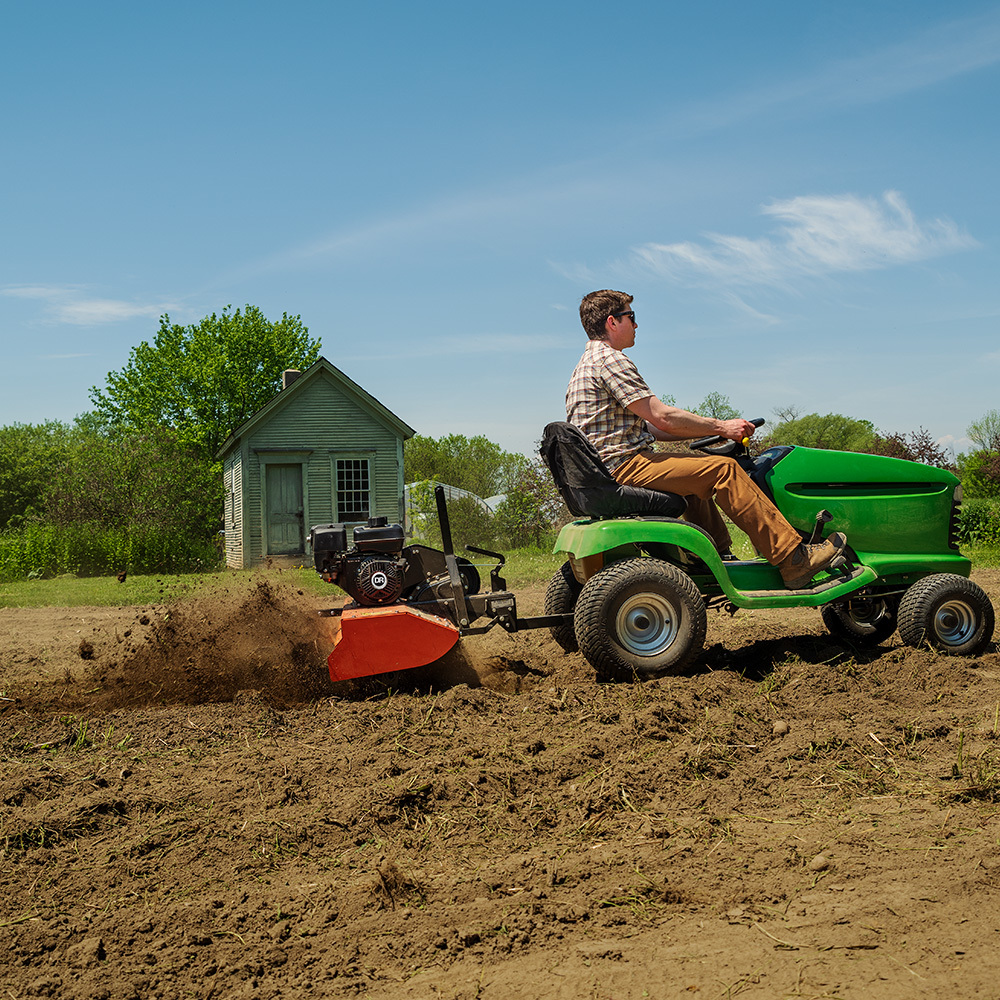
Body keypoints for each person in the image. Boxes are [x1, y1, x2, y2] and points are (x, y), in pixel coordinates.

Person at [565, 289, 847, 590]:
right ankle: (794, 559)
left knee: (696, 472)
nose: (636, 325)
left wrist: (709, 430)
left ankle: (714, 555)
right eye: (631, 317)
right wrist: (723, 426)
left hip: (605, 468)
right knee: (724, 471)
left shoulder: (585, 365)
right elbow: (662, 416)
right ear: (612, 322)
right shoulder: (611, 361)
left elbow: (654, 427)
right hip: (624, 466)